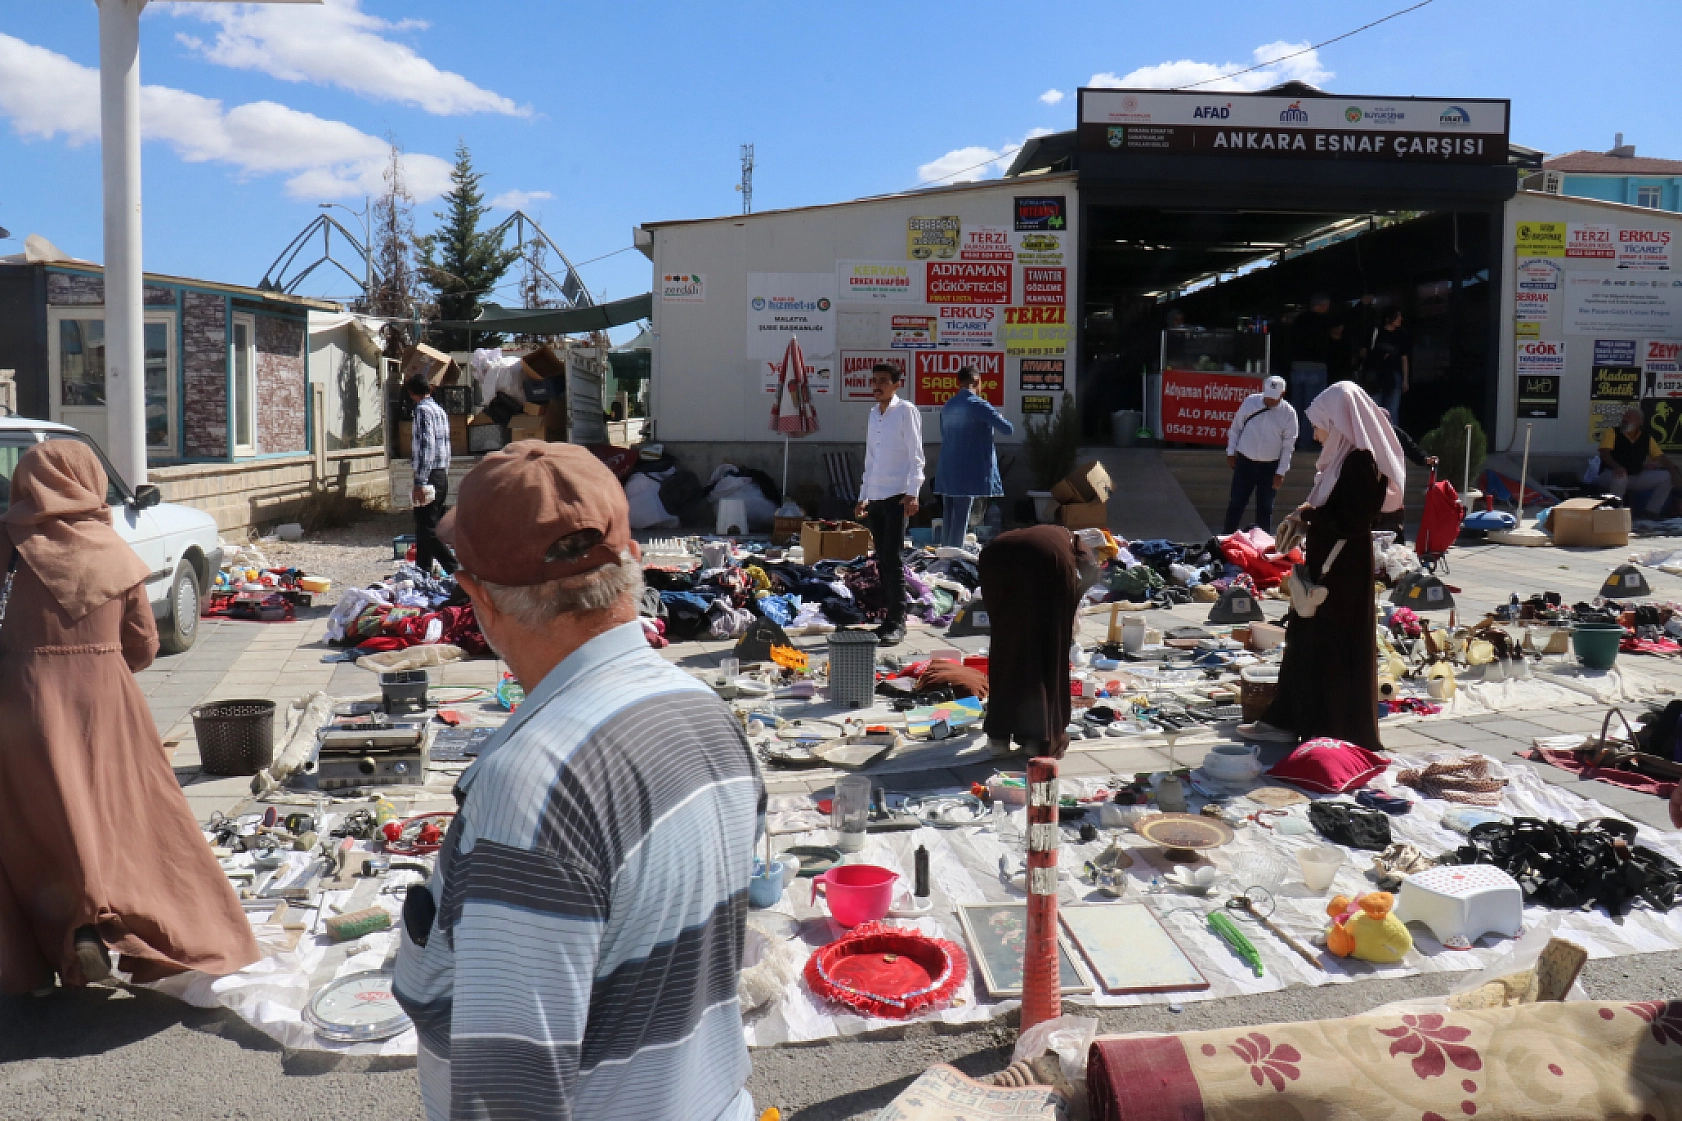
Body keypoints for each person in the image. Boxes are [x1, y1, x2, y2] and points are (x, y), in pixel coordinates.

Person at [394, 441, 763, 1121]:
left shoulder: (529, 787)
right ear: (630, 563)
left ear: (479, 599)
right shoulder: (708, 715)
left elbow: (508, 1097)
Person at [0, 440, 259, 996]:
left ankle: (55, 944)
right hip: (105, 705)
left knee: (42, 827)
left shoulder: (10, 542)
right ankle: (132, 925)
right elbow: (142, 645)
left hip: (21, 707)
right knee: (130, 821)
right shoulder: (111, 547)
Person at [1239, 381, 1406, 751]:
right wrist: (1307, 517)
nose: (1314, 433)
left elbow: (1353, 520)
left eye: (1319, 424)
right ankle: (1291, 720)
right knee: (1307, 642)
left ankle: (1332, 727)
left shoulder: (1362, 461)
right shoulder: (1346, 458)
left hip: (1341, 573)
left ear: (1340, 420)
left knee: (1331, 646)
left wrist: (1311, 515)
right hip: (1329, 567)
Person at [979, 526, 1099, 759]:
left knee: (1007, 645)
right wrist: (1070, 602)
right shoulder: (1074, 541)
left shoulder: (1052, 534)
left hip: (994, 556)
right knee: (1047, 650)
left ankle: (998, 739)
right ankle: (1035, 738)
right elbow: (1092, 571)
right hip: (1045, 560)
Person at [854, 362, 924, 646]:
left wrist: (913, 492)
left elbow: (916, 455)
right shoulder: (873, 414)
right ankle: (887, 618)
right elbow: (871, 458)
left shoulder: (906, 411)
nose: (877, 385)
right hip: (877, 497)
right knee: (881, 560)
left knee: (893, 559)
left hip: (898, 495)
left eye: (883, 380)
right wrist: (863, 496)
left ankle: (898, 621)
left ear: (897, 384)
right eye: (874, 380)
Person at [933, 366, 1013, 549]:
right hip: (968, 468)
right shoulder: (978, 405)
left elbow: (944, 433)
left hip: (947, 467)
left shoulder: (948, 406)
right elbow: (1008, 429)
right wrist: (997, 416)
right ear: (977, 382)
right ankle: (954, 558)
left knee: (949, 515)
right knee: (961, 517)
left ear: (958, 382)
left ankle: (946, 554)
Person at [1223, 375, 1298, 534]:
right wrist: (1231, 452)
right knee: (1236, 503)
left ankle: (1261, 546)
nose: (1269, 400)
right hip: (1245, 463)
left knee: (1264, 508)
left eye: (1273, 397)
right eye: (1267, 396)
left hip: (1269, 467)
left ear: (1282, 394)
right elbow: (1236, 428)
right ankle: (1226, 539)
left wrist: (1281, 472)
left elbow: (1288, 446)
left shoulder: (1289, 414)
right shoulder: (1250, 402)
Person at [407, 373, 456, 575]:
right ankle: (423, 570)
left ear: (411, 393)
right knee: (424, 525)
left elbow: (427, 445)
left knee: (427, 528)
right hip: (441, 473)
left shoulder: (422, 410)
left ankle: (455, 569)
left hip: (429, 475)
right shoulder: (439, 410)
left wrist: (420, 479)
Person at [1596, 406, 1674, 517]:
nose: (1624, 419)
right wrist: (1617, 466)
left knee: (1667, 476)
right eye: (1624, 416)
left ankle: (1651, 513)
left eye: (1629, 417)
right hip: (1610, 474)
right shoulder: (1612, 432)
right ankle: (1613, 514)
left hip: (1635, 476)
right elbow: (1604, 453)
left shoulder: (1646, 438)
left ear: (1639, 422)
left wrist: (1674, 473)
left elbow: (1661, 457)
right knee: (1620, 476)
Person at [1288, 295, 1333, 443]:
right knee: (1312, 407)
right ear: (1322, 305)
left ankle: (1291, 438)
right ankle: (1306, 442)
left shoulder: (1298, 320)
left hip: (1297, 366)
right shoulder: (1323, 321)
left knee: (1296, 406)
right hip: (1316, 367)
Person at [1362, 308, 1410, 420]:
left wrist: (1405, 379)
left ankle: (1391, 435)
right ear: (1389, 318)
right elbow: (1364, 353)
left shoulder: (1401, 335)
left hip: (1394, 375)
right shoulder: (1376, 333)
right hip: (1376, 375)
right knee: (1374, 409)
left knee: (1392, 411)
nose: (1400, 319)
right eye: (1397, 317)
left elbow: (1404, 358)